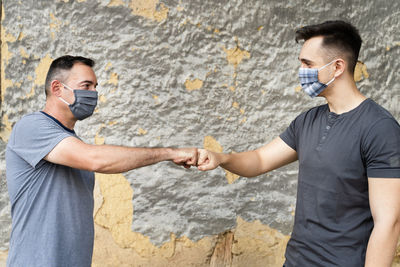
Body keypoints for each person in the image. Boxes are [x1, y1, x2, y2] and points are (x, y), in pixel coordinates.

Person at [197, 20, 400, 266]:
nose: (301, 71)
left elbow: (388, 222)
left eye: (307, 64)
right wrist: (221, 158)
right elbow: (260, 160)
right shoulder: (307, 121)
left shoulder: (379, 128)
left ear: (337, 67)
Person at [5, 55, 198, 267]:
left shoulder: (72, 143)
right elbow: (96, 159)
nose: (93, 94)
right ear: (57, 88)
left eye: (95, 87)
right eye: (86, 86)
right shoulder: (31, 127)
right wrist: (169, 153)